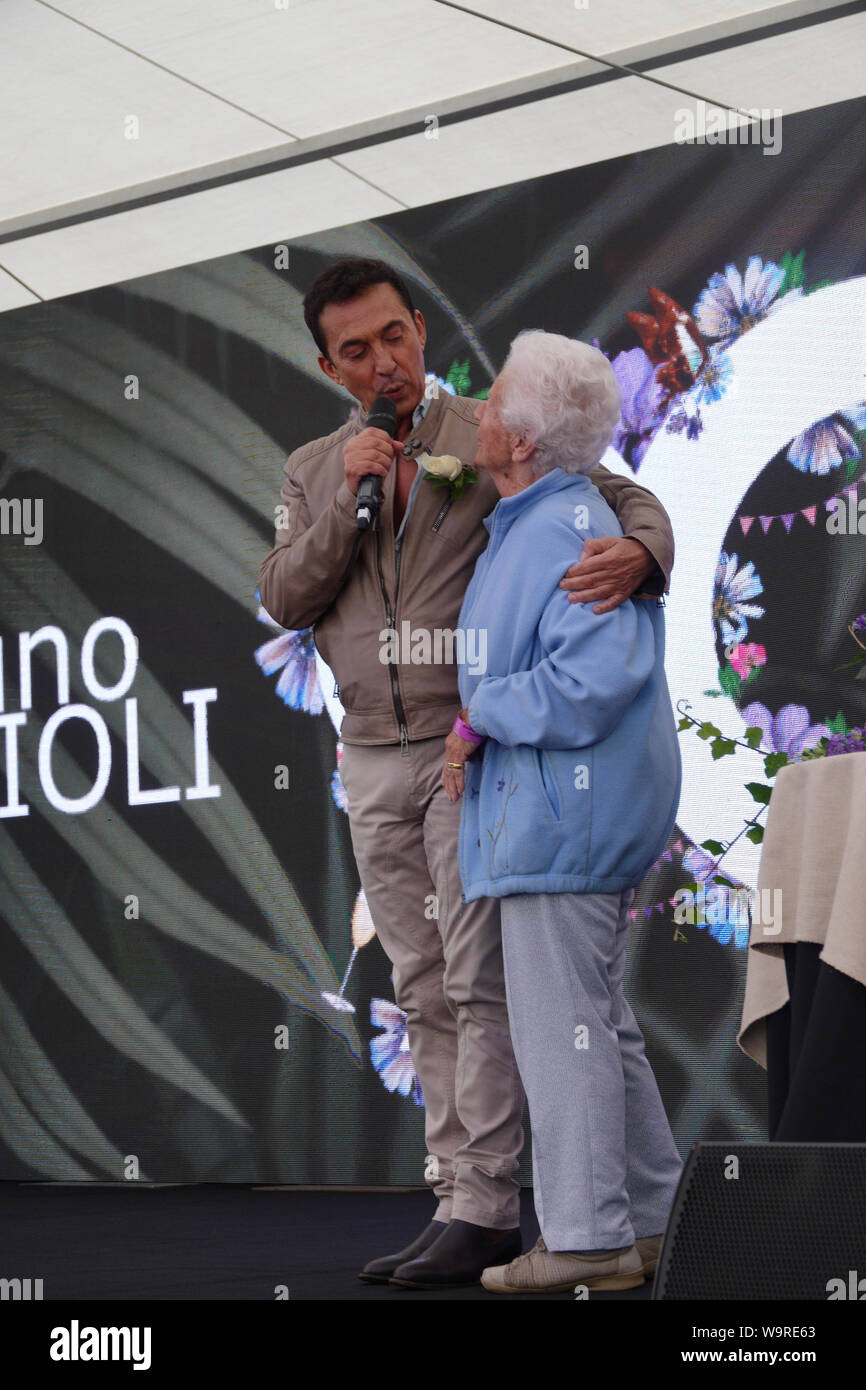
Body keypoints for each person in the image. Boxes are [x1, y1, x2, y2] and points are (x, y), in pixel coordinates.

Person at [258, 258, 676, 1290]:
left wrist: (645, 554)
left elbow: (615, 494)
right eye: (354, 349)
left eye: (393, 335)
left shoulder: (486, 428)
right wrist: (347, 495)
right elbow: (282, 594)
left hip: (471, 755)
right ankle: (460, 1196)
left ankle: (491, 1206)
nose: (381, 361)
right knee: (418, 985)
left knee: (486, 983)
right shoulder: (314, 467)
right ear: (328, 364)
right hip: (368, 755)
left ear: (419, 329)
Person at [442, 329, 683, 1294]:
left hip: (559, 825)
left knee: (562, 1029)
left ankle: (586, 1242)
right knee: (595, 1023)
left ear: (527, 441)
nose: (481, 412)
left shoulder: (567, 529)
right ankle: (657, 1221)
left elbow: (588, 682)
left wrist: (477, 713)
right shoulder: (544, 519)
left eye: (495, 401)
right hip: (553, 819)